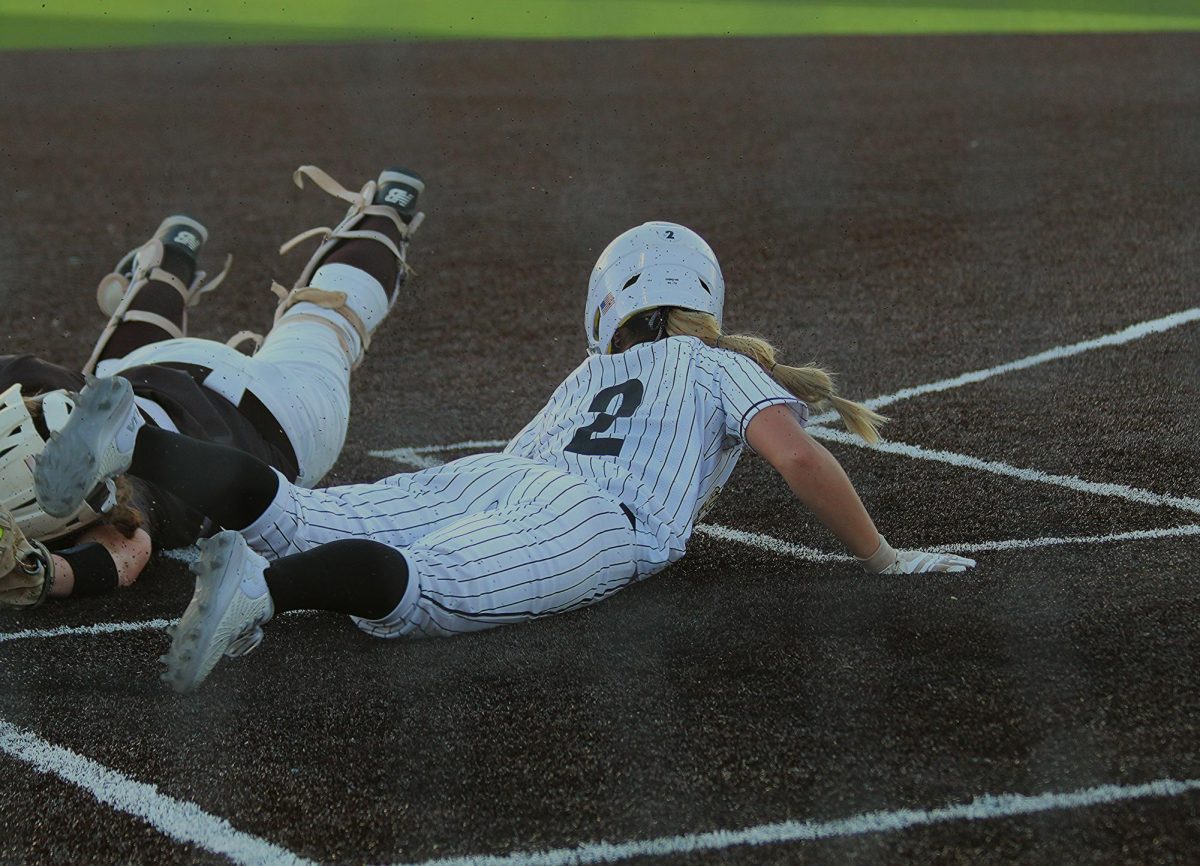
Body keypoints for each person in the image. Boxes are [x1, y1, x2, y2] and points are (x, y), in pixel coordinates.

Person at [32, 221, 975, 692]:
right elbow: (797, 459)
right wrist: (882, 557)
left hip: (495, 472)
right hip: (594, 517)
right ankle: (260, 597)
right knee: (433, 590)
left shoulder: (586, 373)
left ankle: (136, 439)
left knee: (300, 513)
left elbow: (530, 459)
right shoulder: (712, 362)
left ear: (611, 304)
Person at [0, 165, 425, 609]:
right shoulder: (41, 390)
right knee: (108, 374)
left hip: (278, 415)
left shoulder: (119, 496)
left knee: (326, 323)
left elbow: (127, 552)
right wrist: (40, 573)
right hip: (161, 369)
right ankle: (169, 264)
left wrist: (45, 573)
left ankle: (385, 215)